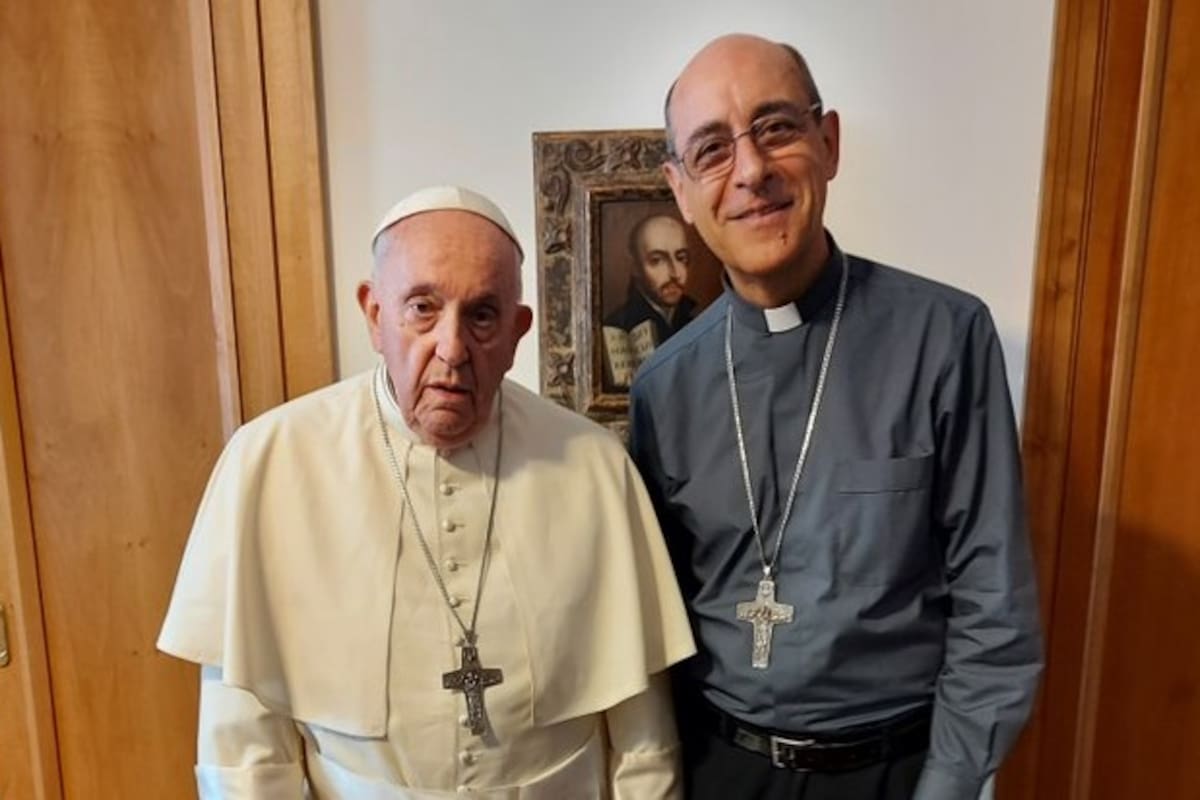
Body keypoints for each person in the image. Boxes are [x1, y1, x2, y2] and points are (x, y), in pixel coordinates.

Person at [159, 185, 696, 798]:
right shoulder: (270, 462)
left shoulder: (594, 467)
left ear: (518, 329)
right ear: (374, 314)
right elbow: (242, 747)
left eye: (482, 315)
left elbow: (644, 737)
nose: (452, 348)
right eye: (422, 307)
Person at [628, 34, 1043, 800]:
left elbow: (996, 604)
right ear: (680, 190)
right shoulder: (663, 386)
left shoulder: (945, 338)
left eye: (776, 128)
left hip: (897, 772)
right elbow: (657, 624)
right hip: (722, 768)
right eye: (713, 150)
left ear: (829, 142)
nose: (750, 170)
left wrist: (949, 784)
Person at [603, 213, 698, 388]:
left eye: (681, 258)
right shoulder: (617, 329)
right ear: (635, 267)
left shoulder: (699, 322)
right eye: (657, 260)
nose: (674, 273)